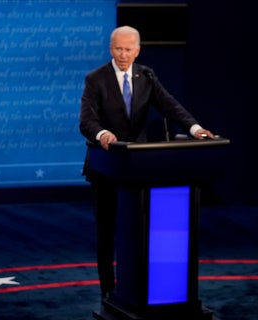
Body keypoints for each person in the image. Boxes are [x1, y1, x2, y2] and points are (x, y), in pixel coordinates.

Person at [78, 26, 214, 300]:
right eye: (118, 48)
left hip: (138, 169)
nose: (123, 54)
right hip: (106, 166)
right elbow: (86, 121)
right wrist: (103, 134)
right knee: (107, 232)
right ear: (110, 48)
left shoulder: (146, 76)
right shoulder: (96, 79)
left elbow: (170, 106)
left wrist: (195, 129)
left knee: (137, 231)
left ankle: (136, 287)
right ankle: (108, 290)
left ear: (137, 50)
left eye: (128, 49)